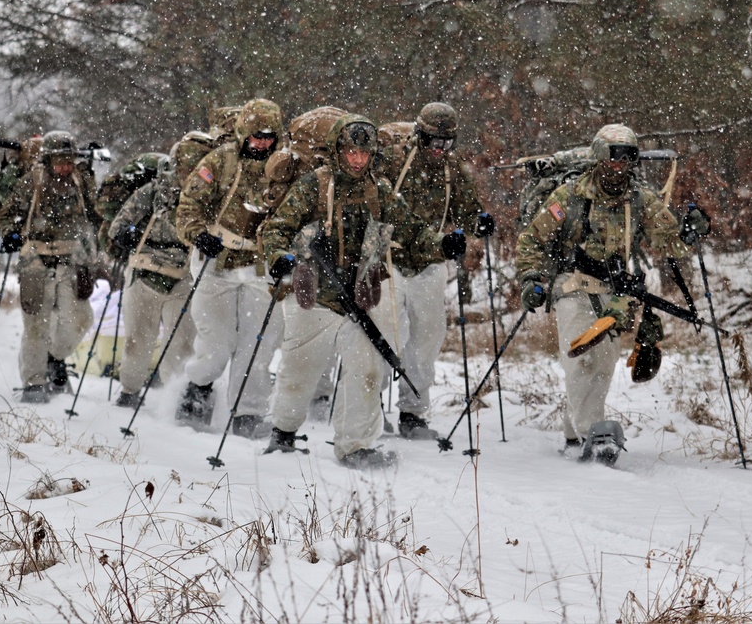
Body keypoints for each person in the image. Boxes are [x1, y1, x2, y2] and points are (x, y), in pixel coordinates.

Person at [260, 114, 464, 469]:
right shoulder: (314, 185)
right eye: (351, 152)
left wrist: (442, 245)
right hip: (316, 296)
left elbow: (413, 232)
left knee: (367, 369)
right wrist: (279, 257)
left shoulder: (380, 190)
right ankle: (283, 432)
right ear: (339, 150)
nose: (357, 160)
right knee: (299, 369)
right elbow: (278, 228)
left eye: (364, 153)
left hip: (362, 295)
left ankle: (355, 445)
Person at [515, 124, 709, 464]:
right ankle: (594, 432)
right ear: (598, 158)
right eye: (613, 158)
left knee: (603, 364)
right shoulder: (569, 196)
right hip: (571, 285)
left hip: (615, 290)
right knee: (580, 356)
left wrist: (692, 231)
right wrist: (531, 279)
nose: (620, 166)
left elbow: (669, 241)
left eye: (628, 158)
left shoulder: (640, 199)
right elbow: (532, 239)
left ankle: (574, 434)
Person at [174, 98, 286, 438]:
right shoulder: (219, 161)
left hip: (259, 265)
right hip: (217, 261)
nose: (263, 142)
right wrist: (198, 235)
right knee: (217, 343)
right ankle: (197, 389)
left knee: (258, 344)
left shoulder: (285, 168)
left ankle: (248, 413)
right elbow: (188, 207)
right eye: (256, 135)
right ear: (242, 133)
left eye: (269, 135)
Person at [382, 102, 491, 440]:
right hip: (390, 257)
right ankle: (367, 404)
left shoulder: (451, 170)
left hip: (430, 262)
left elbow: (468, 208)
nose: (439, 150)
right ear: (419, 135)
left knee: (428, 335)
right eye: (432, 141)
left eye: (446, 143)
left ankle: (413, 412)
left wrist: (480, 221)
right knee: (385, 330)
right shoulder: (394, 161)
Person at [0, 130, 101, 403]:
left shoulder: (82, 181)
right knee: (35, 324)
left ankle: (55, 357)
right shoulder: (33, 181)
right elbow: (6, 214)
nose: (65, 166)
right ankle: (33, 383)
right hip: (37, 259)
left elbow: (98, 213)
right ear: (48, 160)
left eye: (69, 160)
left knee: (79, 319)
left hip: (73, 259)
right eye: (60, 160)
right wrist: (10, 234)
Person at [108, 154, 196, 408]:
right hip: (145, 272)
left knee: (180, 342)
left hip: (183, 275)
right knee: (138, 339)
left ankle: (174, 398)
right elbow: (118, 225)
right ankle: (129, 390)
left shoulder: (203, 196)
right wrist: (127, 234)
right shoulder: (152, 192)